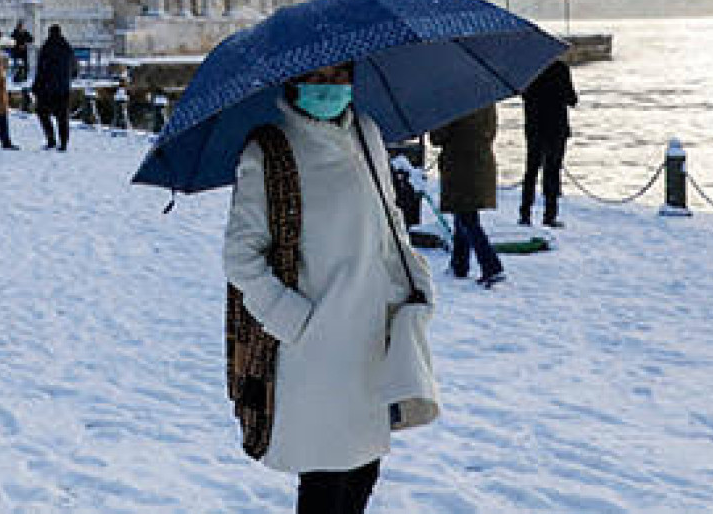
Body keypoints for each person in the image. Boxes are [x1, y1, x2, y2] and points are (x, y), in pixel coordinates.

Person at [223, 60, 439, 513]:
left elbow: (390, 219)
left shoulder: (367, 132)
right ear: (294, 82)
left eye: (341, 77)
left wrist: (415, 280)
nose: (331, 88)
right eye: (317, 79)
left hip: (374, 332)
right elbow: (241, 258)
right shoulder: (268, 152)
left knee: (365, 468)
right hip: (313, 346)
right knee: (324, 476)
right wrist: (296, 321)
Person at [431, 104, 506, 287]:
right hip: (482, 161)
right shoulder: (486, 99)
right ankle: (459, 264)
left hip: (460, 165)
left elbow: (437, 137)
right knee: (463, 212)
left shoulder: (451, 102)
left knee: (467, 218)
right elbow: (491, 130)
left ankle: (492, 267)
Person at [519, 58, 579, 228]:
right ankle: (549, 215)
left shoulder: (529, 68)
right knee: (552, 171)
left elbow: (523, 95)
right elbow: (571, 99)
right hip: (556, 128)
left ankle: (525, 214)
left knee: (531, 171)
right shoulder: (560, 68)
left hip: (534, 127)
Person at [30, 24, 76, 151]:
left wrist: (36, 86)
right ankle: (63, 143)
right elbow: (75, 70)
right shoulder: (67, 48)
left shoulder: (46, 48)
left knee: (42, 113)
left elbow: (41, 70)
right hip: (63, 89)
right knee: (62, 117)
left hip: (47, 89)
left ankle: (51, 139)